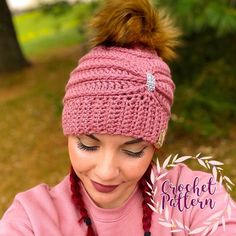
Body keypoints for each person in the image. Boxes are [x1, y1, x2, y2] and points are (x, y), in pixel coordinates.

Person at [1, 0, 236, 235]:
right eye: (88, 145)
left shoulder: (194, 197)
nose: (106, 172)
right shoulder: (31, 219)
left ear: (155, 145)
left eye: (132, 150)